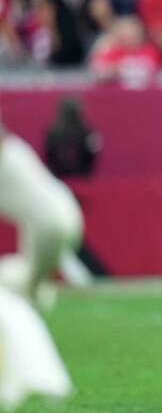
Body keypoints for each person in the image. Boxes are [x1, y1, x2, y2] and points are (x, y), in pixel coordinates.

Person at [0, 118, 84, 305]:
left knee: (22, 290)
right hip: (70, 214)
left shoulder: (11, 158)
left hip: (49, 227)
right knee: (32, 290)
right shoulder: (17, 151)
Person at [44, 97, 100, 179]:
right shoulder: (86, 132)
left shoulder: (53, 132)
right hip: (80, 177)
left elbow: (48, 154)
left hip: (61, 178)